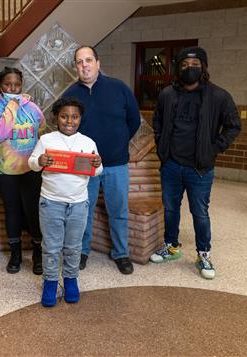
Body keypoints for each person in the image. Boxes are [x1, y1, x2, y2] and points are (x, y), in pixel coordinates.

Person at [151, 46, 242, 279]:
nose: (189, 69)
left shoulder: (219, 96)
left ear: (203, 67)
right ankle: (171, 246)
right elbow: (158, 118)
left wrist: (214, 148)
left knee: (199, 212)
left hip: (200, 168)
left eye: (195, 65)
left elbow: (233, 126)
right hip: (171, 165)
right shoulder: (167, 94)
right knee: (170, 209)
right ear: (177, 68)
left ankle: (203, 254)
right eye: (184, 65)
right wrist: (161, 143)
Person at [63, 46, 141, 274]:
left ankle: (121, 252)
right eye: (79, 62)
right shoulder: (70, 95)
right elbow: (64, 127)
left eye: (88, 60)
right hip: (84, 164)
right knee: (82, 211)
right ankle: (82, 251)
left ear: (98, 62)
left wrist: (118, 141)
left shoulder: (119, 88)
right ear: (76, 67)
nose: (84, 65)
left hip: (116, 163)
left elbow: (134, 120)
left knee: (118, 209)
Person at [28, 97, 103, 307]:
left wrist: (98, 163)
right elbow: (31, 163)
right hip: (51, 203)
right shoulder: (46, 140)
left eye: (74, 117)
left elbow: (97, 171)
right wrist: (39, 161)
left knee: (73, 246)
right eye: (64, 116)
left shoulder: (88, 143)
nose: (69, 121)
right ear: (56, 118)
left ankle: (71, 280)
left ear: (80, 119)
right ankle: (50, 282)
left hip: (79, 204)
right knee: (51, 247)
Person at [0, 67, 45, 275]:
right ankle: (15, 254)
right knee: (13, 212)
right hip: (5, 170)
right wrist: (11, 106)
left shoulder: (33, 108)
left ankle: (37, 254)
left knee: (34, 211)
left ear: (22, 85)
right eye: (8, 84)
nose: (12, 88)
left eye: (16, 85)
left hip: (30, 169)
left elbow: (41, 129)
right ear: (0, 85)